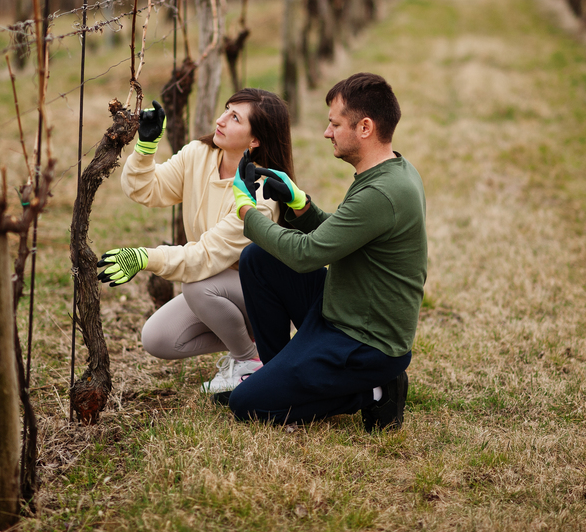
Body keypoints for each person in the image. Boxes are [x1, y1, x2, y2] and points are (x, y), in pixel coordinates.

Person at [228, 73, 427, 431]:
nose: (326, 132)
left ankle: (375, 391)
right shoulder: (393, 170)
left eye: (334, 124)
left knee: (246, 405)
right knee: (259, 259)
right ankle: (279, 377)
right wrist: (300, 205)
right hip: (344, 308)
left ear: (364, 127)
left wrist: (247, 211)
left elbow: (306, 255)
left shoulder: (381, 193)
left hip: (365, 343)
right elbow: (343, 234)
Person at [97, 88, 294, 395]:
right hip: (219, 288)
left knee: (197, 284)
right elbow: (146, 190)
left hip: (263, 299)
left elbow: (204, 257)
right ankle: (258, 348)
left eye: (235, 118)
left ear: (255, 139)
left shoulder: (260, 195)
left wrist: (145, 258)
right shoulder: (199, 154)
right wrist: (146, 147)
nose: (220, 120)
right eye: (226, 109)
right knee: (158, 338)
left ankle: (249, 361)